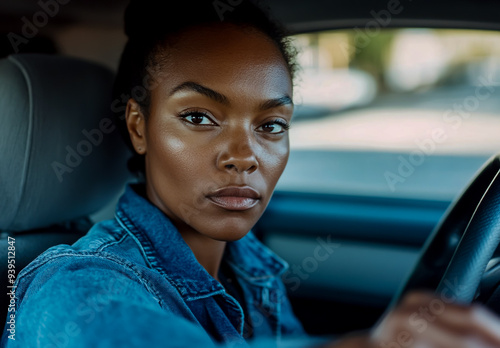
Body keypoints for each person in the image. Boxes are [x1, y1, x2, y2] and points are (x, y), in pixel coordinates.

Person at [3, 0, 500, 347]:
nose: (244, 156)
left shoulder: (250, 266)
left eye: (270, 124)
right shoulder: (74, 281)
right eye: (199, 117)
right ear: (139, 126)